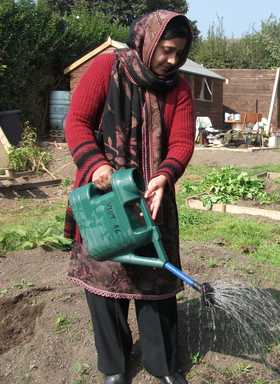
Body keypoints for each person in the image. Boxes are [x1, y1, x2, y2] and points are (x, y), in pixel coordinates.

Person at [64, 11, 195, 384]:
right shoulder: (107, 68)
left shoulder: (179, 87)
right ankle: (116, 366)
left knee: (156, 278)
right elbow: (76, 122)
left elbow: (183, 141)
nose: (172, 60)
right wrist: (97, 166)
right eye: (167, 50)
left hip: (151, 194)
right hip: (103, 196)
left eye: (179, 53)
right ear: (147, 41)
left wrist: (165, 175)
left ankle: (163, 364)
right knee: (105, 273)